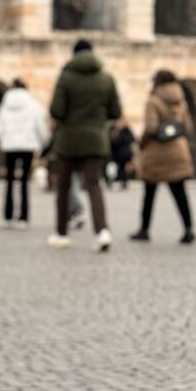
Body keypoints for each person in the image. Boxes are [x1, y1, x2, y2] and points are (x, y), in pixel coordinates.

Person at [48, 39, 121, 251]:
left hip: (68, 140)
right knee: (94, 185)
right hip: (96, 140)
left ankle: (61, 233)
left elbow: (56, 111)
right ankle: (102, 231)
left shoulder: (66, 78)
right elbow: (115, 112)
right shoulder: (106, 79)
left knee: (63, 186)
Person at [130, 70, 196, 244]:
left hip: (157, 153)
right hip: (178, 150)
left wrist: (141, 144)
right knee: (180, 193)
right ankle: (188, 229)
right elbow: (188, 126)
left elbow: (151, 128)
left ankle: (144, 229)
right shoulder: (181, 100)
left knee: (149, 194)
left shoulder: (153, 100)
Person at [0, 78, 49, 227]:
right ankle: (23, 217)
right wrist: (43, 144)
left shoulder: (4, 106)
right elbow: (40, 127)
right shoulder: (33, 105)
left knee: (9, 181)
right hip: (28, 145)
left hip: (9, 146)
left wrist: (3, 140)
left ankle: (8, 216)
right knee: (24, 182)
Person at [108, 120, 135, 190]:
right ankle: (115, 181)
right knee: (115, 168)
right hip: (117, 153)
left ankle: (123, 181)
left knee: (121, 168)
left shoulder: (125, 131)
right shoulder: (113, 130)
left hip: (123, 154)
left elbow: (131, 140)